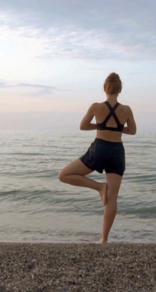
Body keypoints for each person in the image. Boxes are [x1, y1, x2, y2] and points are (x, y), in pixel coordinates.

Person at [58, 72, 137, 243]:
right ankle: (104, 239)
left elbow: (83, 126)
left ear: (105, 88)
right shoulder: (126, 110)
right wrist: (115, 128)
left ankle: (99, 187)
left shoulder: (96, 107)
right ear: (120, 89)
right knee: (113, 197)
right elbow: (132, 131)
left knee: (63, 175)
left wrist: (101, 126)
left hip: (99, 148)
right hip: (117, 151)